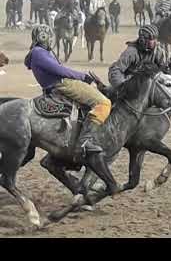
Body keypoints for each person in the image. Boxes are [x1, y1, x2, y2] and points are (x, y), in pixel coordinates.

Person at [24, 24, 112, 160]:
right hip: (62, 84)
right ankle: (85, 142)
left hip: (57, 84)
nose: (51, 40)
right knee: (104, 103)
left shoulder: (39, 52)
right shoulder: (39, 52)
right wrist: (82, 76)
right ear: (44, 37)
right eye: (49, 37)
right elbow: (59, 71)